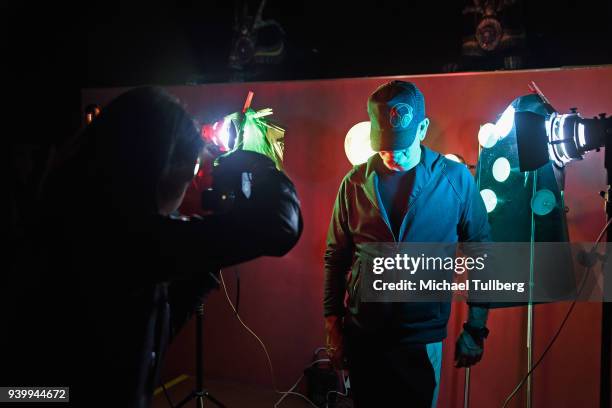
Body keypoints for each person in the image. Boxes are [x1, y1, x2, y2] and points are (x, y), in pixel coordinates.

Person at [2, 87, 302, 408]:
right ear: (160, 169)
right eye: (189, 175)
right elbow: (281, 225)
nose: (190, 186)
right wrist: (261, 167)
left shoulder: (79, 214)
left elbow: (139, 342)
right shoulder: (121, 234)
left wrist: (199, 266)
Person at [323, 81, 490, 407]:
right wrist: (333, 325)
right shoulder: (354, 183)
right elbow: (336, 257)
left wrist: (476, 328)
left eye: (401, 145)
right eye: (383, 147)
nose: (392, 155)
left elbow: (481, 252)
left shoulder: (455, 179)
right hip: (364, 332)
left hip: (421, 336)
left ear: (423, 128)